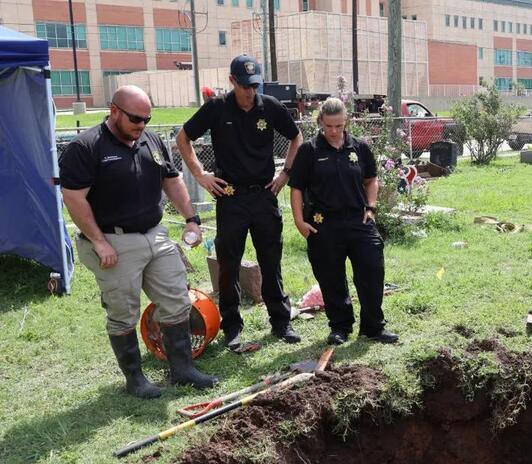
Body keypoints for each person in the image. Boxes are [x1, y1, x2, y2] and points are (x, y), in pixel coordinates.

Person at [60, 85, 218, 398]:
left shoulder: (150, 139)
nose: (141, 125)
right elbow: (74, 199)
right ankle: (135, 381)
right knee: (124, 311)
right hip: (113, 241)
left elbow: (171, 181)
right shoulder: (86, 146)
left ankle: (183, 370)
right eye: (135, 118)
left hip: (155, 235)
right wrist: (98, 241)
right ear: (114, 110)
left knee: (176, 299)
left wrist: (191, 220)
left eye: (147, 119)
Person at [176, 55, 303, 352]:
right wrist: (200, 174)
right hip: (230, 197)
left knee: (271, 261)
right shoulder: (217, 108)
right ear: (232, 81)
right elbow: (183, 138)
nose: (250, 92)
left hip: (264, 196)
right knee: (228, 266)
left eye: (254, 85)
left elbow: (297, 137)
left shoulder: (269, 106)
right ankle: (232, 327)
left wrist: (285, 173)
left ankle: (281, 322)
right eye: (244, 86)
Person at [287, 98, 398, 345]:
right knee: (331, 278)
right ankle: (340, 326)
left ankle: (373, 327)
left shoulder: (359, 147)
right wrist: (298, 221)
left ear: (346, 122)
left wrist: (371, 207)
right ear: (320, 123)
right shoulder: (310, 150)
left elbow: (371, 179)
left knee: (372, 271)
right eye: (329, 126)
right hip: (323, 224)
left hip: (359, 220)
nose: (334, 131)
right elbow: (296, 188)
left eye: (338, 125)